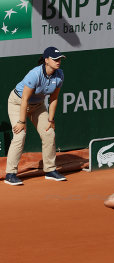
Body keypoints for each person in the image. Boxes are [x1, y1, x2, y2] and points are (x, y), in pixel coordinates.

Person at [4, 46, 67, 185]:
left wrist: (51, 119)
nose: (58, 61)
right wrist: (21, 121)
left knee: (49, 133)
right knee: (20, 135)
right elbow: (24, 99)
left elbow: (54, 99)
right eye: (55, 59)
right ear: (46, 60)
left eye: (60, 59)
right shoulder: (35, 74)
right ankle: (10, 174)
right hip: (18, 102)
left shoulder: (59, 74)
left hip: (38, 106)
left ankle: (50, 170)